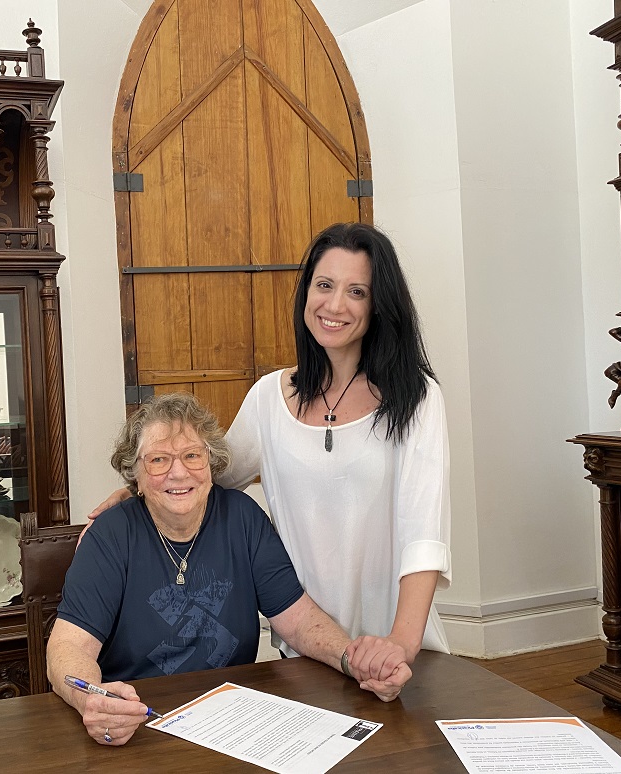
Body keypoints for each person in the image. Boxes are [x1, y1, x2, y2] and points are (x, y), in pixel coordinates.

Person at [88, 222, 452, 685]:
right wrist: (134, 493)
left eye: (357, 291)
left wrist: (399, 644)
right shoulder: (267, 398)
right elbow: (204, 479)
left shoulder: (418, 398)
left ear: (379, 305)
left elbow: (424, 536)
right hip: (307, 650)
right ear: (306, 293)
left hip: (394, 650)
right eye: (324, 285)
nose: (335, 305)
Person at [50, 392, 412, 746]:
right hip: (138, 724)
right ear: (136, 476)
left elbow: (299, 621)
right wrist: (93, 700)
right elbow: (68, 647)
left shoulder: (242, 517)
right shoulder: (110, 536)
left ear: (211, 464)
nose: (179, 472)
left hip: (232, 721)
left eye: (192, 455)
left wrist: (354, 660)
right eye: (159, 460)